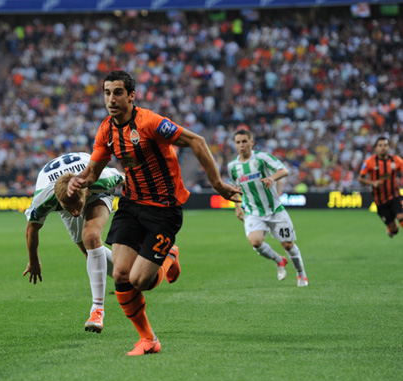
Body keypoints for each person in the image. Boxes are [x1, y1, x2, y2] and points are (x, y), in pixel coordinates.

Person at [67, 70, 241, 356]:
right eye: (107, 92)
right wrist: (79, 181)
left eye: (118, 92)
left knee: (140, 281)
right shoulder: (106, 129)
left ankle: (170, 254)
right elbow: (92, 172)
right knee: (121, 274)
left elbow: (197, 141)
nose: (111, 98)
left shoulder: (150, 123)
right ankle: (148, 339)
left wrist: (218, 184)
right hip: (132, 204)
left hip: (164, 209)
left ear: (132, 95)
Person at [22, 152, 180, 334]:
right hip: (65, 188)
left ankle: (97, 310)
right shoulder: (43, 199)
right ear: (58, 201)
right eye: (68, 208)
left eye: (77, 206)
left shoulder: (102, 179)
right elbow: (31, 229)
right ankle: (168, 256)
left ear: (85, 191)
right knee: (97, 256)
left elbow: (129, 180)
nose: (75, 213)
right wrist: (33, 260)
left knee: (90, 237)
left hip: (96, 191)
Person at [228, 128, 308, 287]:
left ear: (251, 142)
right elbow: (234, 188)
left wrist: (271, 178)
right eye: (238, 142)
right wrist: (237, 207)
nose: (241, 145)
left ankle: (301, 273)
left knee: (287, 245)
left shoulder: (262, 158)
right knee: (255, 242)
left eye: (244, 141)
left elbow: (283, 170)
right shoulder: (232, 167)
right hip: (253, 212)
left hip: (275, 211)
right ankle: (279, 260)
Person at [358, 136, 403, 237]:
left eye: (385, 145)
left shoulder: (396, 160)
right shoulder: (369, 162)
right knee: (394, 230)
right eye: (380, 145)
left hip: (395, 196)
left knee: (402, 218)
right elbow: (360, 179)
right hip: (380, 202)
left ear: (389, 147)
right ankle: (390, 229)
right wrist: (372, 183)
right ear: (376, 148)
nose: (383, 147)